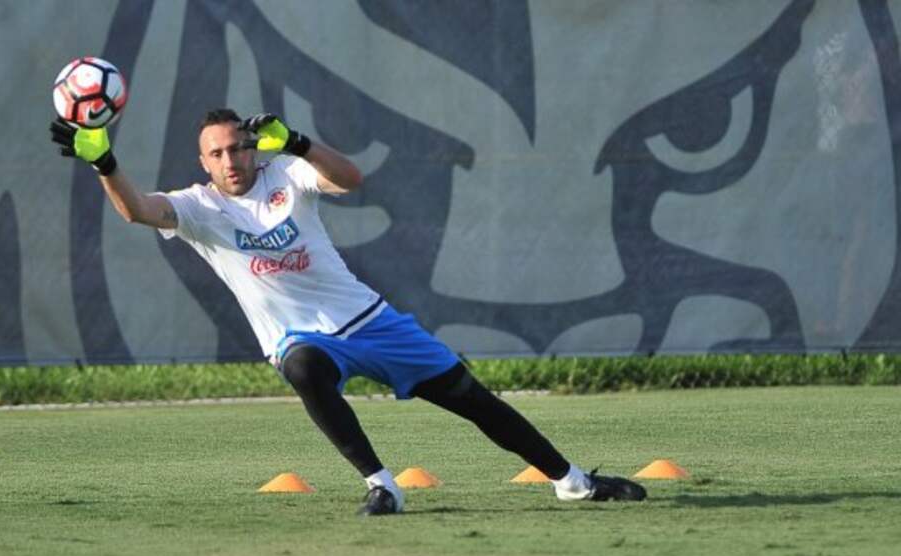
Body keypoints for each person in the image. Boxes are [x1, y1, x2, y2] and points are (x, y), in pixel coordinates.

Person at [49, 109, 647, 515]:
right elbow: (137, 211)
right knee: (304, 367)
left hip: (367, 319)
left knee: (472, 398)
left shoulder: (285, 172)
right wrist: (105, 164)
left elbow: (352, 178)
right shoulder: (199, 207)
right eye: (217, 153)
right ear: (203, 162)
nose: (230, 160)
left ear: (253, 147)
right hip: (300, 337)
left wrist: (300, 142)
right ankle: (381, 487)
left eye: (238, 147)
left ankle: (574, 482)